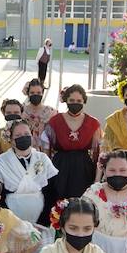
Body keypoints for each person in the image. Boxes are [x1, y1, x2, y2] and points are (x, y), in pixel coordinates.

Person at [42, 84, 101, 222]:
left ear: (84, 101)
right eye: (72, 101)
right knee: (58, 201)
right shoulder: (55, 121)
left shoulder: (93, 123)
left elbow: (98, 153)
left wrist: (97, 179)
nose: (75, 104)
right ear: (66, 100)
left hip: (84, 168)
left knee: (81, 202)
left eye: (79, 101)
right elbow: (45, 150)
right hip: (59, 166)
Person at [0, 120, 57, 237]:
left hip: (41, 215)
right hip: (12, 215)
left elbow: (51, 191)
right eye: (18, 136)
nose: (23, 138)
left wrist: (45, 218)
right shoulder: (2, 161)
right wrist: (8, 219)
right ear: (11, 139)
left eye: (26, 134)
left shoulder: (42, 158)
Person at [22, 78, 56, 153]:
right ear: (28, 93)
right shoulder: (22, 111)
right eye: (32, 93)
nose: (35, 95)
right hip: (25, 151)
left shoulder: (51, 112)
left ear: (42, 93)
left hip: (45, 152)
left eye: (38, 93)